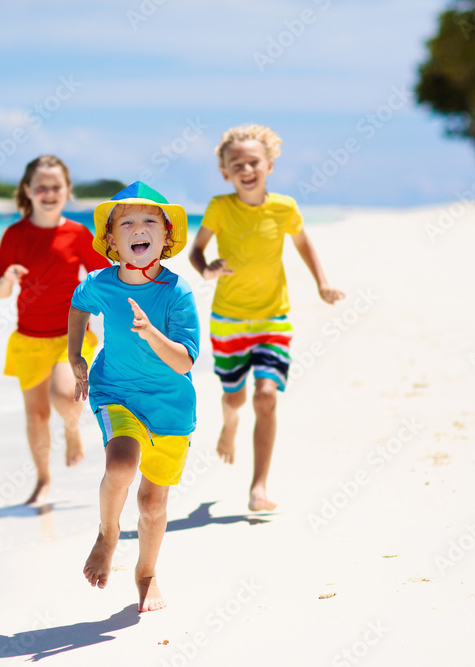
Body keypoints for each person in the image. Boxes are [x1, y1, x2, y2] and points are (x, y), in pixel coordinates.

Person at [189, 124, 345, 512]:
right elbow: (196, 251)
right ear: (225, 171)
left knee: (266, 397)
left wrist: (323, 283)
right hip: (229, 320)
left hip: (274, 318)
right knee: (235, 396)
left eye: (253, 161)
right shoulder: (220, 207)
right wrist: (207, 270)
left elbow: (304, 243)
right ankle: (229, 424)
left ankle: (258, 488)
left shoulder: (285, 208)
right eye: (235, 163)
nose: (245, 168)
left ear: (269, 164)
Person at [68, 181, 199, 612]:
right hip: (115, 390)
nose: (138, 229)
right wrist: (75, 356)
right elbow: (78, 303)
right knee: (121, 463)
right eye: (126, 223)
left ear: (165, 237)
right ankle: (107, 534)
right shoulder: (100, 283)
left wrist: (151, 333)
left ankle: (146, 574)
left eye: (149, 222)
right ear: (110, 239)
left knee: (151, 502)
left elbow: (184, 362)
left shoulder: (176, 292)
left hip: (171, 408)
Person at [0, 155, 111, 505]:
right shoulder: (14, 235)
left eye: (56, 186)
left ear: (67, 191)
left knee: (65, 396)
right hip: (29, 337)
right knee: (36, 415)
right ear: (27, 191)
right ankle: (43, 481)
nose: (49, 192)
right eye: (41, 186)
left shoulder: (76, 234)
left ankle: (72, 429)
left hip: (70, 335)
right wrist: (7, 278)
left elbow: (103, 279)